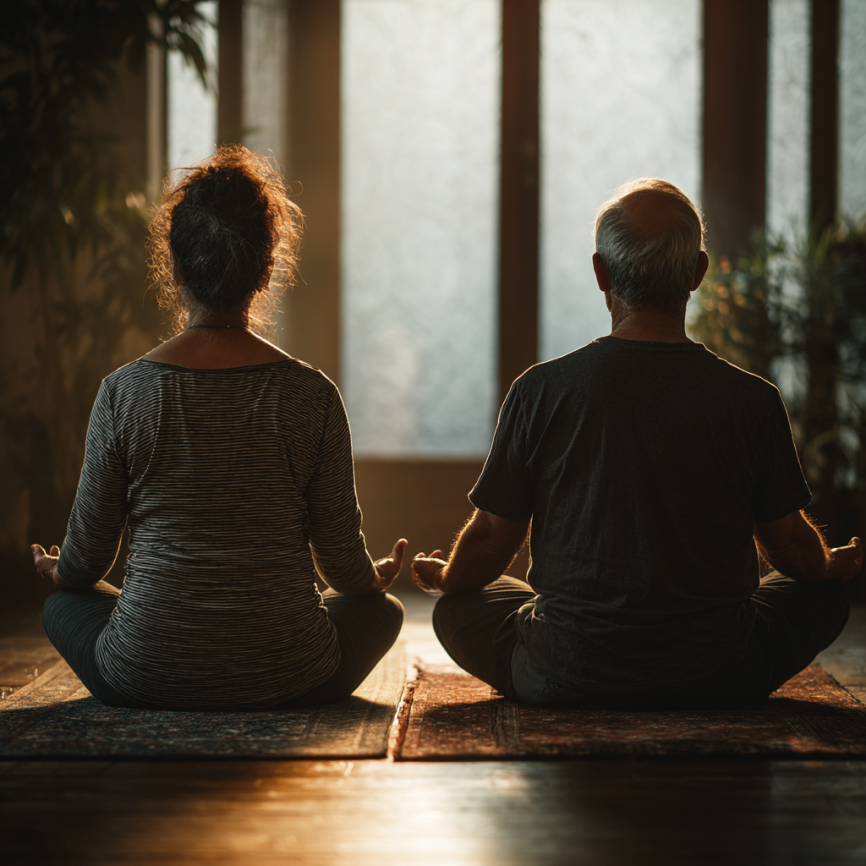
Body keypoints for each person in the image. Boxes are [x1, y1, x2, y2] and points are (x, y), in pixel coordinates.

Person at [412, 177, 863, 710]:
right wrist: (831, 566)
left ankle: (556, 665)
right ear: (698, 273)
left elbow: (489, 541)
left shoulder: (540, 390)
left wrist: (448, 576)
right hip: (722, 675)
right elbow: (790, 546)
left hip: (564, 674)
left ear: (600, 272)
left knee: (456, 606)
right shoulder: (753, 400)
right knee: (823, 596)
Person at [30, 146, 405, 711]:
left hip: (143, 672)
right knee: (383, 610)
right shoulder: (312, 395)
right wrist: (370, 580)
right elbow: (344, 570)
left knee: (61, 604)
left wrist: (55, 567)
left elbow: (85, 566)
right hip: (291, 675)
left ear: (175, 266)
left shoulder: (123, 392)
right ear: (269, 266)